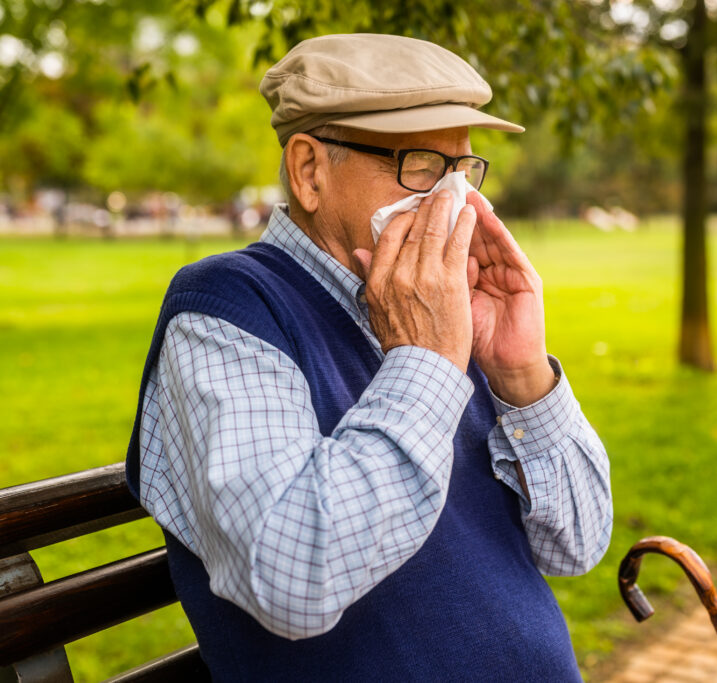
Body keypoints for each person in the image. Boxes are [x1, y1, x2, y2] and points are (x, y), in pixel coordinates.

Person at [124, 33, 612, 681]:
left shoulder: (439, 303)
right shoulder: (226, 308)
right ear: (309, 171)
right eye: (420, 165)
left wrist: (520, 371)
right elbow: (294, 576)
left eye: (461, 169)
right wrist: (427, 362)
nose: (453, 201)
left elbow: (577, 541)